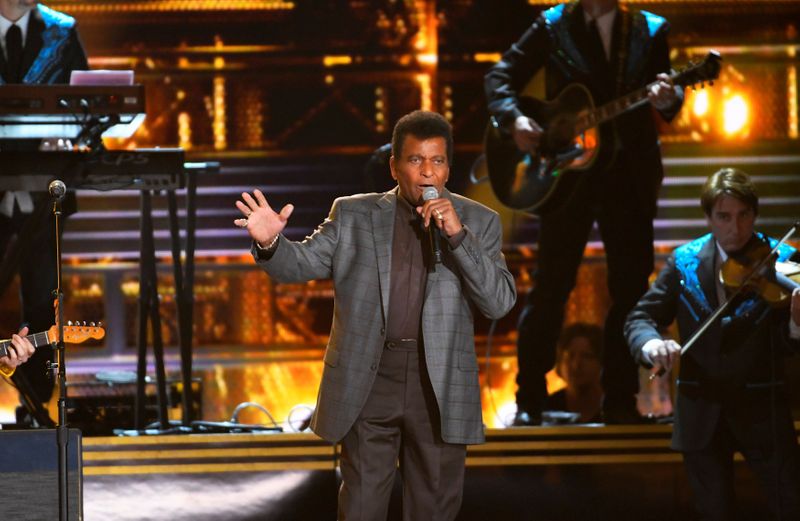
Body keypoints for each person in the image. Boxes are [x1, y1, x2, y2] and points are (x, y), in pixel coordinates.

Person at [236, 110, 516, 520]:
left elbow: (498, 302)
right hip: (369, 376)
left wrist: (457, 236)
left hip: (437, 382)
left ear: (449, 168)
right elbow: (301, 264)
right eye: (415, 160)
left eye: (436, 161)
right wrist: (271, 244)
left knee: (434, 508)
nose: (426, 172)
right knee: (361, 506)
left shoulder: (477, 221)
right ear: (395, 166)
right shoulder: (353, 214)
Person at [484, 0, 683, 425]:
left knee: (631, 289)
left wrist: (669, 98)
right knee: (551, 287)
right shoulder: (554, 25)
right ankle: (530, 402)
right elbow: (500, 78)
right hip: (567, 177)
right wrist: (514, 118)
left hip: (629, 176)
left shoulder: (649, 30)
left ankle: (620, 402)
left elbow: (669, 98)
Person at [625, 168, 800, 520]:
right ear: (708, 218)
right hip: (700, 413)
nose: (734, 228)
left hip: (762, 410)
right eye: (723, 217)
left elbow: (785, 342)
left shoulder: (783, 259)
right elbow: (639, 319)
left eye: (743, 216)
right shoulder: (683, 261)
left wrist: (796, 324)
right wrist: (652, 345)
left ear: (755, 215)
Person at [0, 0, 88, 424]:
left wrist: (68, 134)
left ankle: (35, 409)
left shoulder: (61, 29)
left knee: (41, 301)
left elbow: (85, 102)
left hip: (43, 185)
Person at [544, 322, 604, 423]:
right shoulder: (548, 408)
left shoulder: (614, 408)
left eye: (587, 356)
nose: (576, 365)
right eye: (570, 357)